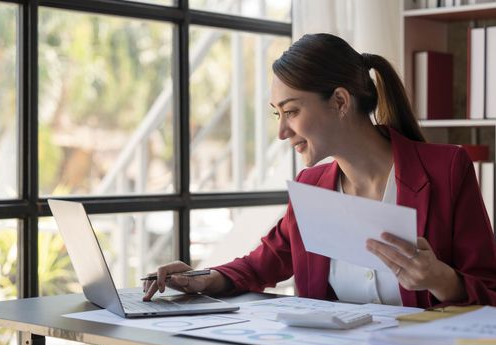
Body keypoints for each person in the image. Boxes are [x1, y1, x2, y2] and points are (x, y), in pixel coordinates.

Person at [143, 33, 496, 308]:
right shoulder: (310, 187)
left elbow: (490, 290)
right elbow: (260, 265)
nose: (282, 131)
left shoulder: (446, 169)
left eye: (291, 111)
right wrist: (202, 278)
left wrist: (442, 280)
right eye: (276, 114)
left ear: (340, 102)